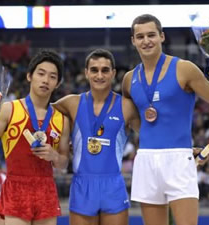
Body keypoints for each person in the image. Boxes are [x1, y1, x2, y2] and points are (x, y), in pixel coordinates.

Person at [122, 14, 209, 225]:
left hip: (178, 162)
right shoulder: (129, 79)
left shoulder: (184, 69)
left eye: (151, 35)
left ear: (162, 36)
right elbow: (135, 120)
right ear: (133, 41)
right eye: (140, 36)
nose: (146, 41)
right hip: (146, 158)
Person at [0, 50, 70, 225]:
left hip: (46, 188)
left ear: (57, 83)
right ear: (29, 76)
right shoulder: (9, 109)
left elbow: (63, 164)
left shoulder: (62, 119)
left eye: (52, 77)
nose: (45, 80)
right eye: (41, 74)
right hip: (16, 186)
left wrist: (55, 156)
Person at [53, 49, 140, 225]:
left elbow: (151, 136)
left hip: (113, 185)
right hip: (82, 185)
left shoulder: (127, 106)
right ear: (86, 73)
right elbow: (41, 115)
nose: (99, 75)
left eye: (105, 70)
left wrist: (183, 149)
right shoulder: (71, 103)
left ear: (113, 73)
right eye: (94, 70)